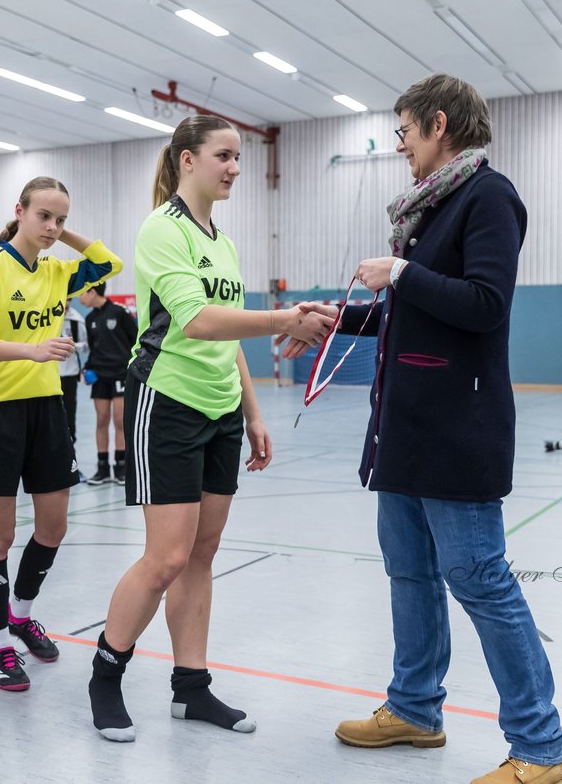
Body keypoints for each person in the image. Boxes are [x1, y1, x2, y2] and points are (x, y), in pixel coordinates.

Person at [284, 74, 562, 784]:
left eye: (405, 133)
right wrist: (332, 318)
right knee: (409, 573)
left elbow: (483, 303)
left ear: (438, 125)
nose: (401, 147)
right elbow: (408, 315)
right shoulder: (432, 207)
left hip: (457, 431)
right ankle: (415, 710)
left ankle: (541, 751)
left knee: (479, 580)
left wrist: (402, 272)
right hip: (405, 431)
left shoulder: (489, 197)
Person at [87, 116, 332, 743]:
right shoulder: (160, 231)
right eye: (224, 156)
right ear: (187, 160)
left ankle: (190, 688)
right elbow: (196, 321)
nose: (234, 168)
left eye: (239, 158)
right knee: (166, 556)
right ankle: (106, 674)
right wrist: (286, 316)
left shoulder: (221, 242)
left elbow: (228, 335)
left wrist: (251, 414)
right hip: (165, 404)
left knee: (202, 553)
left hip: (221, 410)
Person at [0, 176, 122, 692]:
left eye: (60, 218)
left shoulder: (56, 270)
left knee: (53, 528)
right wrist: (29, 350)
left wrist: (64, 237)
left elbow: (109, 264)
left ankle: (22, 615)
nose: (51, 226)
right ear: (19, 211)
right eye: (43, 216)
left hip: (48, 408)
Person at [79, 285, 137, 485]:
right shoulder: (89, 319)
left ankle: (121, 468)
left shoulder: (120, 313)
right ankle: (102, 468)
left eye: (83, 292)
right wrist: (87, 368)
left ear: (93, 292)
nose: (80, 297)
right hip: (100, 376)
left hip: (121, 374)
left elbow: (136, 340)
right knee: (101, 420)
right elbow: (94, 349)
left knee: (120, 421)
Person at [57, 301, 88, 445]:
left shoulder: (77, 319)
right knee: (50, 415)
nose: (65, 302)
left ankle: (71, 458)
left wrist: (72, 346)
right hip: (48, 375)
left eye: (68, 298)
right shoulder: (45, 316)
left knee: (69, 413)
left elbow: (85, 345)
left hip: (69, 374)